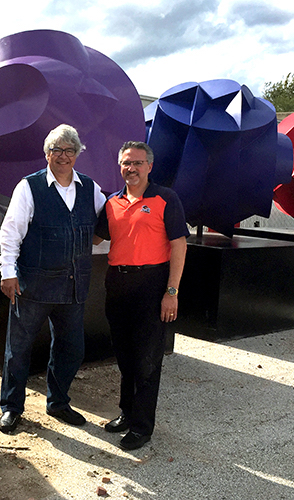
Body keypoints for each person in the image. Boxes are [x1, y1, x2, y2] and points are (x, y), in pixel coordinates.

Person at [0, 124, 106, 434]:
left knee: (71, 349)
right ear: (47, 154)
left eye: (69, 150)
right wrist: (8, 272)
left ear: (77, 155)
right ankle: (12, 408)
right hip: (34, 285)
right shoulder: (29, 187)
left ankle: (58, 402)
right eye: (56, 150)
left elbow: (109, 223)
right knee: (18, 350)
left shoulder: (91, 188)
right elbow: (11, 232)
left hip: (74, 286)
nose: (63, 156)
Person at [95, 141, 189, 450]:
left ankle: (142, 427)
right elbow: (94, 236)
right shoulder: (111, 203)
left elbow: (179, 245)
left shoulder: (166, 199)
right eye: (125, 163)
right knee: (124, 356)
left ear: (149, 166)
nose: (131, 168)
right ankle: (126, 412)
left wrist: (171, 292)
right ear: (119, 167)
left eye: (137, 163)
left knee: (147, 359)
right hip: (117, 285)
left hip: (152, 286)